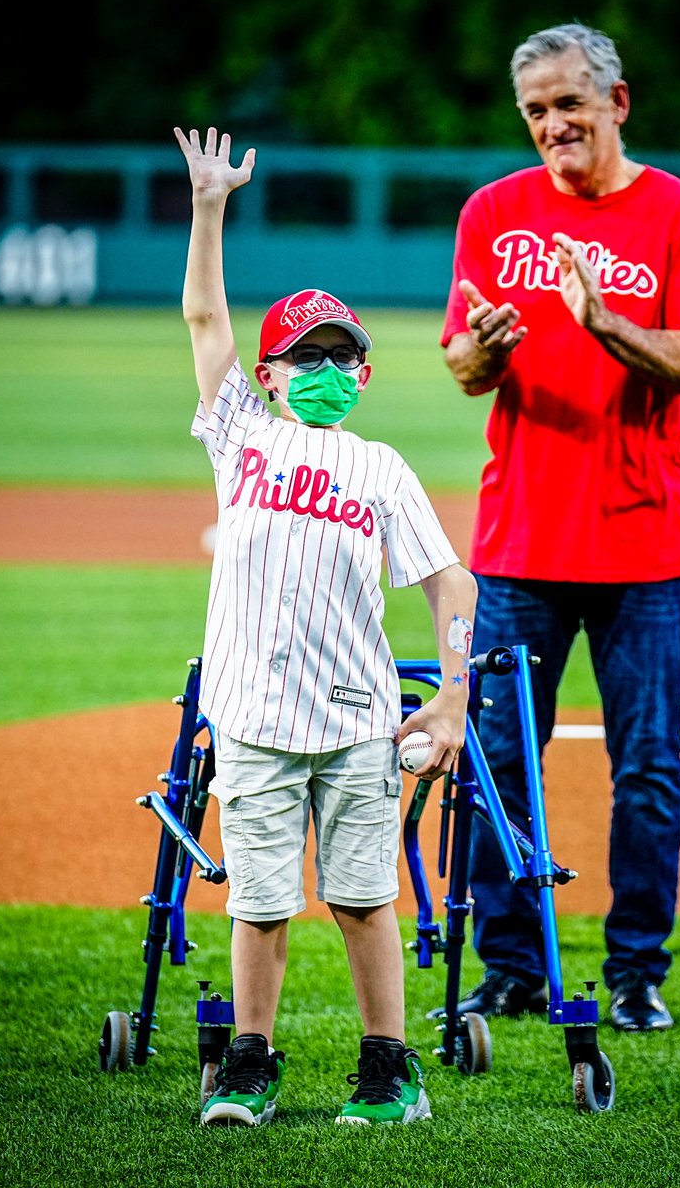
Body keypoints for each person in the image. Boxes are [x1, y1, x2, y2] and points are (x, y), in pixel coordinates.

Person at [174, 124, 477, 1127]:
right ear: (268, 371)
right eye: (307, 354)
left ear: (365, 374)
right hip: (256, 713)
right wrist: (210, 207)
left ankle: (391, 1073)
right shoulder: (243, 432)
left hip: (356, 720)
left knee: (360, 899)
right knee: (259, 902)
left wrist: (453, 700)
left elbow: (448, 582)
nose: (327, 368)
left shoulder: (382, 466)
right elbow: (204, 313)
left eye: (343, 354)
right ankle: (251, 1066)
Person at [436, 23, 680, 1034]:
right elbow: (463, 367)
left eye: (568, 103)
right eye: (534, 110)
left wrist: (604, 323)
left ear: (617, 102)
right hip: (518, 541)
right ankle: (513, 967)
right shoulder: (494, 212)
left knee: (646, 765)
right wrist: (479, 352)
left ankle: (636, 973)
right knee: (500, 758)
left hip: (645, 544)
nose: (551, 125)